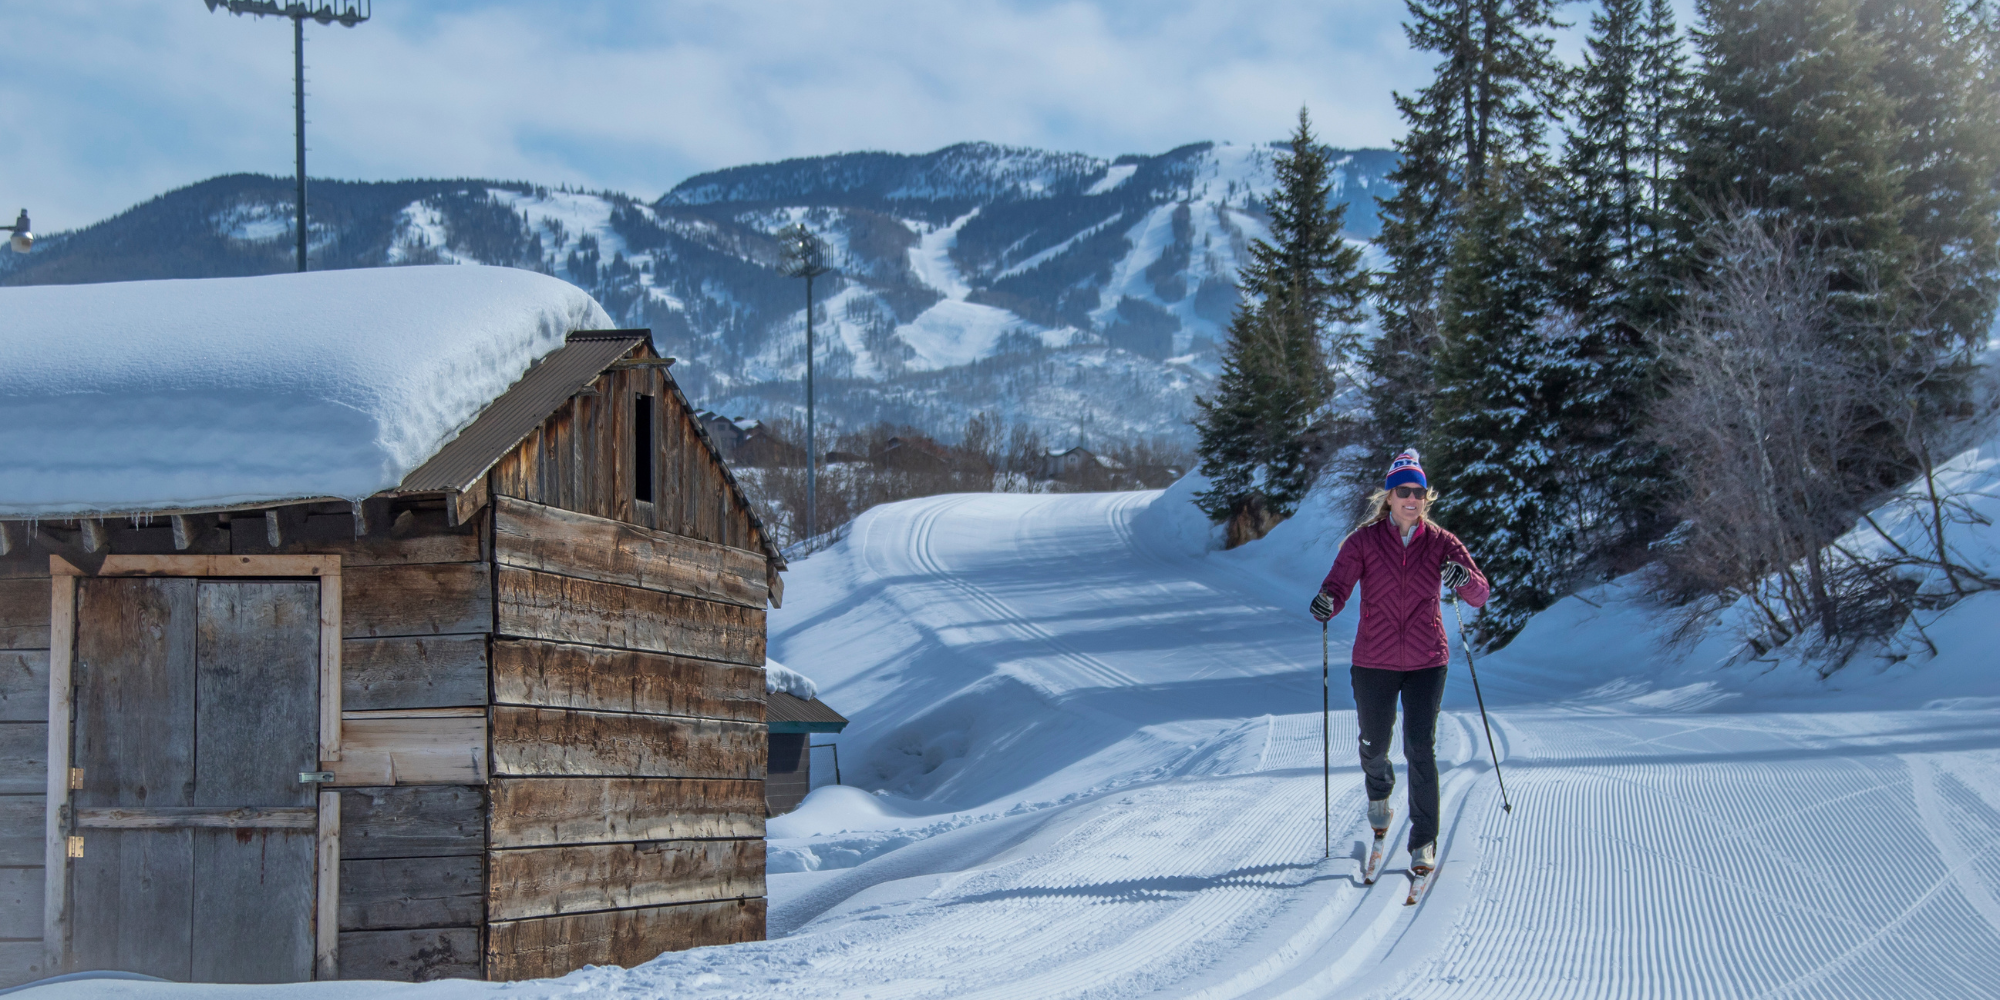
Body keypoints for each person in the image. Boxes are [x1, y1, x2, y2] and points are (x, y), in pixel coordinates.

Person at [1310, 448, 1488, 877]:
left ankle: (1423, 841)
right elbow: (1337, 586)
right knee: (1374, 745)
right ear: (1388, 497)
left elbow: (1480, 594)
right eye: (1403, 491)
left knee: (1419, 748)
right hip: (1374, 659)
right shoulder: (1363, 542)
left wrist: (1464, 581)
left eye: (1419, 492)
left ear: (1427, 497)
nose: (1412, 498)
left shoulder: (1443, 543)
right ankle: (1379, 792)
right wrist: (1326, 604)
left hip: (1428, 660)